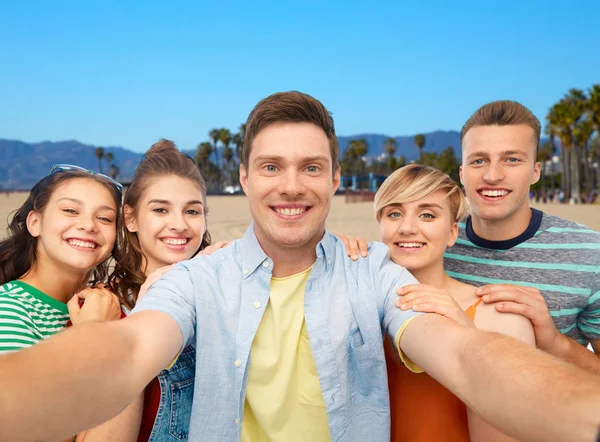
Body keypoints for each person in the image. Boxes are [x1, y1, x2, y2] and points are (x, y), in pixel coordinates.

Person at [0, 92, 599, 442]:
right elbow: (127, 352)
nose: (291, 186)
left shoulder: (376, 270)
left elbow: (464, 357)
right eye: (271, 167)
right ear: (242, 179)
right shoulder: (197, 276)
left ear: (336, 179)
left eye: (311, 168)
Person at [373, 163, 535, 442]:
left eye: (427, 215)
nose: (408, 228)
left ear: (452, 233)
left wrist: (470, 341)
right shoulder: (362, 307)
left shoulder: (500, 316)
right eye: (395, 213)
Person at [443, 100, 600, 372]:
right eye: (478, 161)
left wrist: (553, 342)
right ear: (462, 173)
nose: (492, 175)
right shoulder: (432, 245)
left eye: (512, 160)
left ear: (535, 171)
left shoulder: (590, 253)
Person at [0, 164, 137, 441]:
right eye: (71, 211)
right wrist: (93, 335)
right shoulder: (11, 309)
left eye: (105, 218)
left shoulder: (102, 303)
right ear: (34, 222)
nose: (88, 225)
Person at [108, 139, 214, 442]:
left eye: (192, 212)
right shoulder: (103, 309)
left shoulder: (221, 290)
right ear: (130, 218)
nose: (179, 225)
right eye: (161, 210)